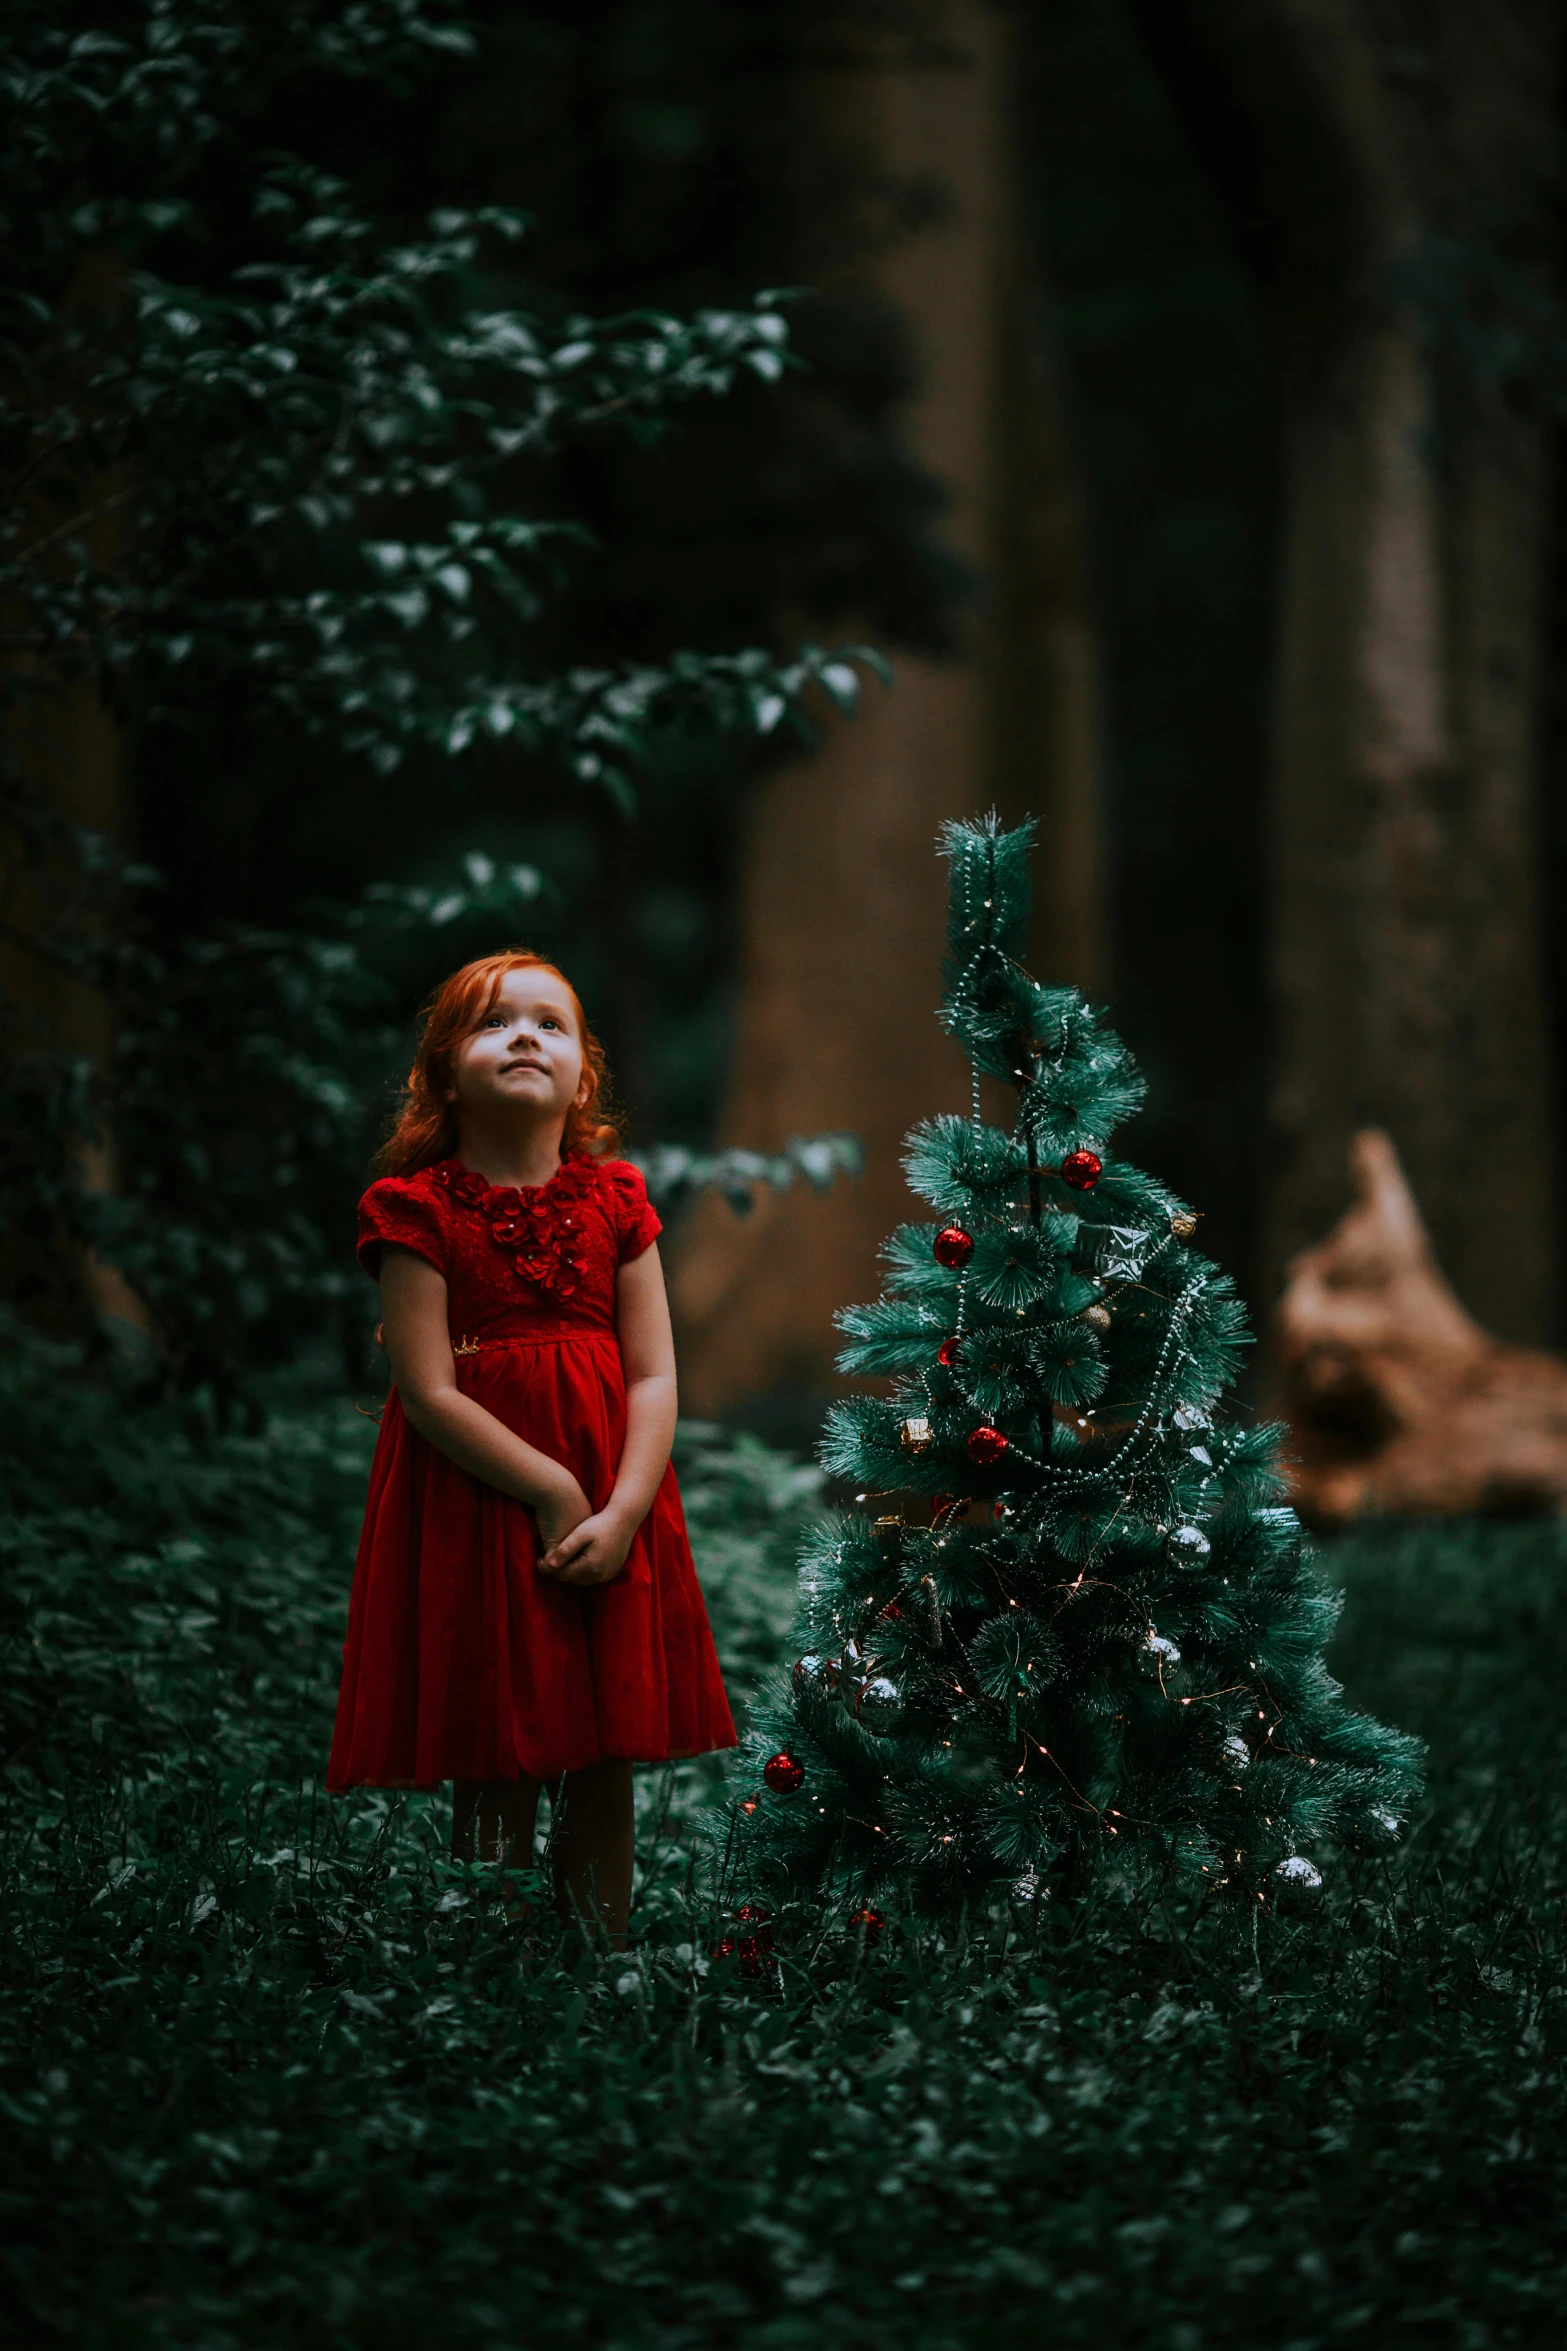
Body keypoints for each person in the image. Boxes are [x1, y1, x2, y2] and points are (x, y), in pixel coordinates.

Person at [326, 950, 736, 1941]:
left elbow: (653, 1374)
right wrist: (552, 1487)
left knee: (603, 1735)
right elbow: (426, 1389)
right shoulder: (415, 1211)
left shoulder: (616, 1205)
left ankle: (601, 1949)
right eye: (493, 1021)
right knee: (496, 1721)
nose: (523, 1035)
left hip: (613, 1487)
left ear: (582, 1077)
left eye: (548, 1023)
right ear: (439, 1070)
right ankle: (490, 1948)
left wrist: (624, 1505)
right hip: (481, 1492)